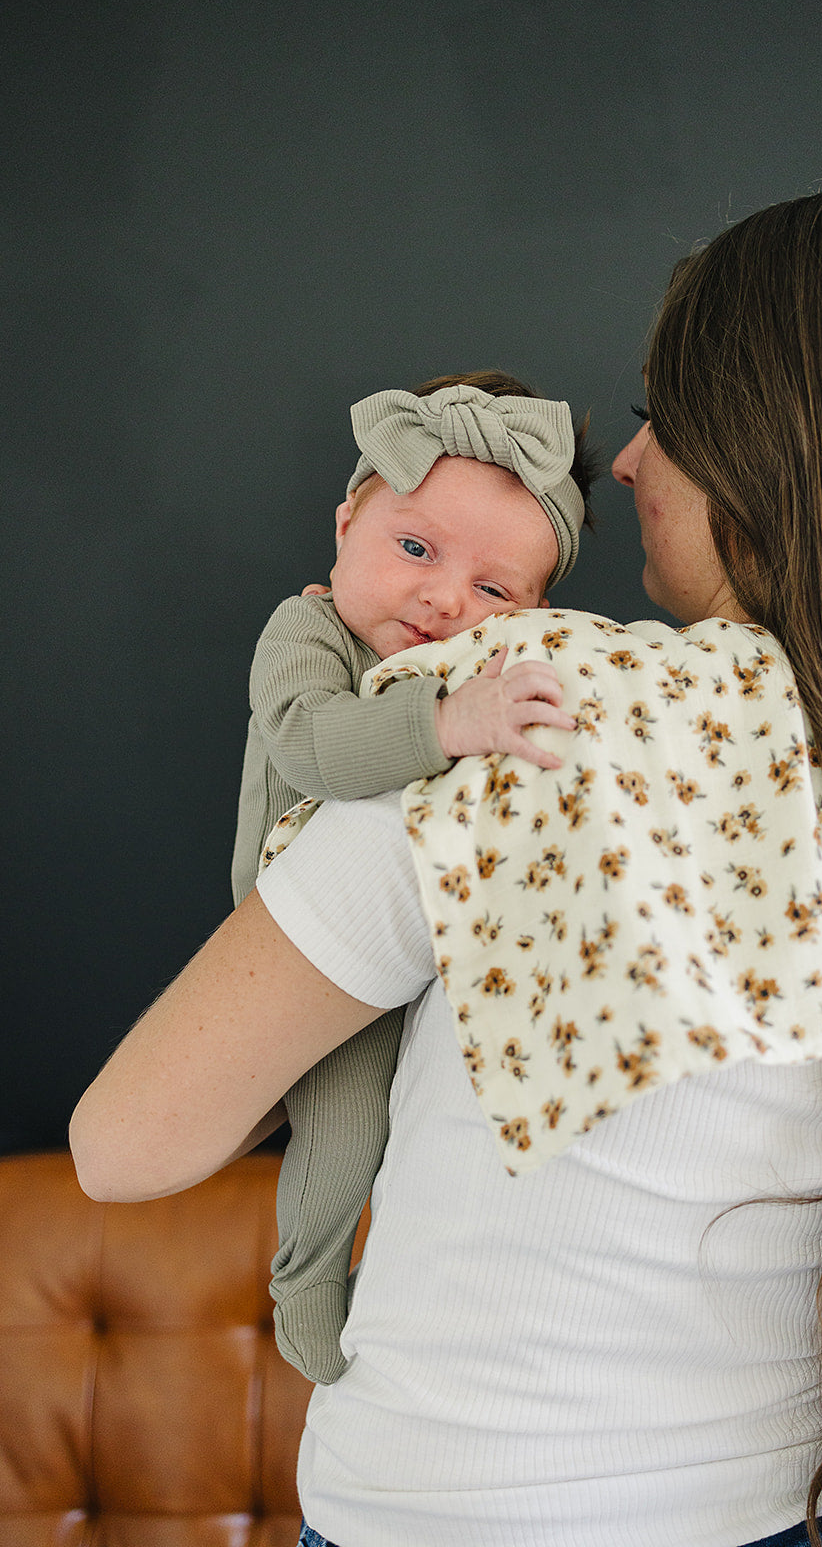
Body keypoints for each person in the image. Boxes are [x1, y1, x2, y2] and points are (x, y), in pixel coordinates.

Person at [70, 187, 822, 1547]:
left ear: (768, 444)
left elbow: (125, 1147)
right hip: (806, 1511)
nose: (621, 465)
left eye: (660, 417)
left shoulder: (532, 701)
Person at [231, 371, 597, 1381]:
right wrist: (448, 723)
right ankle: (304, 1283)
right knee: (344, 1132)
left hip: (433, 950)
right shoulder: (306, 632)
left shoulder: (478, 668)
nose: (443, 598)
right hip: (316, 956)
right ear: (347, 520)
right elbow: (312, 749)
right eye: (414, 549)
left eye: (494, 590)